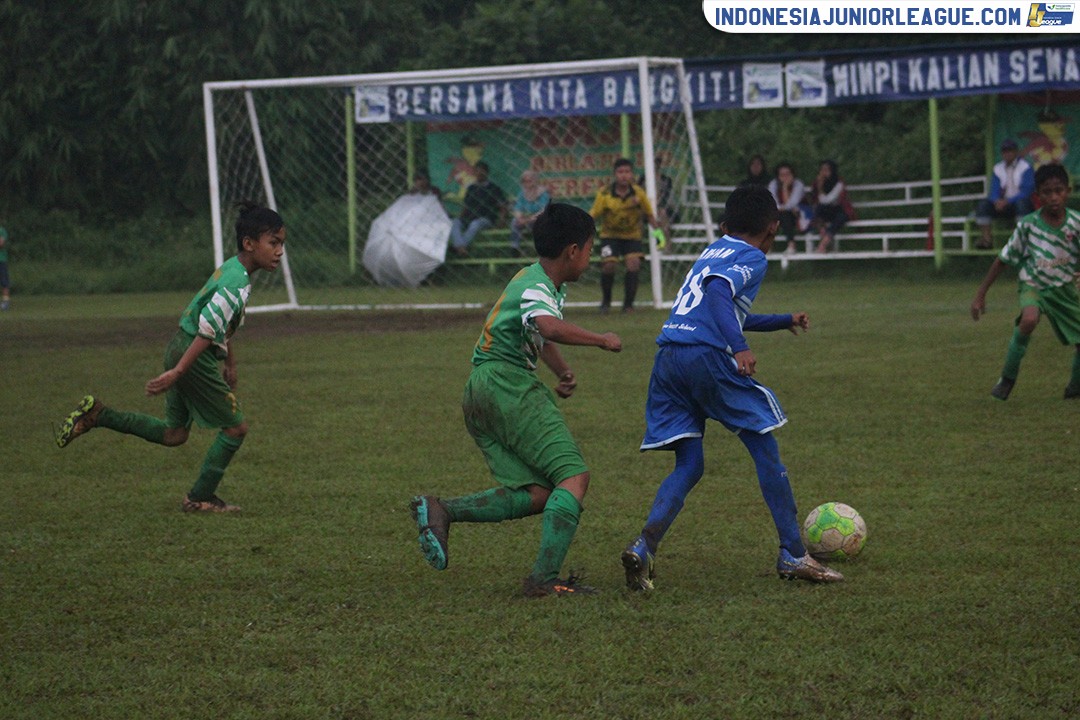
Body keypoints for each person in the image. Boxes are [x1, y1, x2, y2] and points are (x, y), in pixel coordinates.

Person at [620, 183, 844, 592]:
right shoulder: (753, 255)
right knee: (762, 442)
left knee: (690, 463)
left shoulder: (713, 250)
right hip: (705, 357)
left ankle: (644, 546)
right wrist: (739, 347)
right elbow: (720, 296)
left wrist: (781, 319)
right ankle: (794, 554)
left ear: (725, 224)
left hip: (669, 356)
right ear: (774, 228)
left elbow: (717, 306)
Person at [409, 203, 622, 598]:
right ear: (573, 250)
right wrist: (601, 339)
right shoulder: (538, 286)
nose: (590, 259)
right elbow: (548, 327)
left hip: (481, 387)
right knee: (574, 478)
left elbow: (536, 335)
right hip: (508, 385)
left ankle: (443, 509)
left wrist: (562, 372)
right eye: (590, 250)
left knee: (540, 492)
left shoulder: (532, 279)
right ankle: (543, 580)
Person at [53, 202, 287, 512]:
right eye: (273, 243)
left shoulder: (232, 268)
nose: (280, 251)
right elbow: (207, 332)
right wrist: (179, 372)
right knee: (235, 428)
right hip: (192, 353)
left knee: (174, 434)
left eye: (281, 243)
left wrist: (229, 362)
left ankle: (98, 415)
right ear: (249, 243)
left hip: (180, 344)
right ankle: (200, 497)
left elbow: (219, 324)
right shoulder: (237, 282)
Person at [970, 162, 1080, 401]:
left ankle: (1074, 388)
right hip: (1034, 285)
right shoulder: (1028, 225)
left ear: (1067, 192)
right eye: (1047, 192)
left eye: (1058, 191)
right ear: (1037, 196)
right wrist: (980, 294)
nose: (1053, 197)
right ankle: (1006, 380)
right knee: (1029, 319)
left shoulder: (1076, 223)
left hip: (1064, 289)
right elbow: (1003, 260)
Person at [590, 158, 660, 313]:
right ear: (615, 174)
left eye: (627, 172)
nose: (624, 175)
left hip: (632, 236)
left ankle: (628, 305)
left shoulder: (639, 194)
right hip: (610, 236)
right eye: (620, 172)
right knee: (609, 266)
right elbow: (593, 215)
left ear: (632, 175)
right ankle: (606, 302)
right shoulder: (604, 193)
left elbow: (649, 216)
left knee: (633, 263)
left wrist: (658, 235)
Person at [973, 139, 1035, 250]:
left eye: (1010, 151)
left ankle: (1021, 240)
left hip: (1019, 203)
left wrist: (1008, 201)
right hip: (1002, 204)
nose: (1007, 154)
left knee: (1022, 204)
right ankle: (987, 240)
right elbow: (994, 189)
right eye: (1005, 151)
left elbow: (1027, 191)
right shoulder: (998, 168)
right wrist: (996, 201)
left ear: (1016, 152)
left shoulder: (1025, 167)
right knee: (983, 204)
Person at [449, 161, 507, 256]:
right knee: (455, 222)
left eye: (482, 171)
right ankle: (461, 248)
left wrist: (502, 220)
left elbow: (503, 206)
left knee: (475, 224)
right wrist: (460, 217)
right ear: (474, 173)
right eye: (477, 171)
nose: (479, 173)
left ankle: (458, 247)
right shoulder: (471, 188)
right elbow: (466, 206)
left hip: (486, 219)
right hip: (468, 217)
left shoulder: (493, 188)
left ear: (486, 173)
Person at [810, 159, 855, 253]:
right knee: (817, 212)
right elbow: (815, 200)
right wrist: (819, 186)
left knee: (841, 218)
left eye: (826, 170)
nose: (823, 173)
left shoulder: (839, 183)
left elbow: (827, 200)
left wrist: (820, 187)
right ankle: (826, 242)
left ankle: (823, 244)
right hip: (824, 210)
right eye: (822, 170)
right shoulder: (816, 183)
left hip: (838, 209)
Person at [768, 162, 809, 255]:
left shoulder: (798, 184)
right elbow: (773, 202)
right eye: (782, 175)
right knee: (771, 217)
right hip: (779, 214)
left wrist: (785, 188)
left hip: (798, 215)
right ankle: (768, 246)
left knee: (785, 215)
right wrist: (781, 208)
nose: (785, 177)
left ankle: (791, 245)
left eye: (787, 174)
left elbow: (791, 204)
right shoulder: (773, 184)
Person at [508, 170, 550, 256]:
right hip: (526, 219)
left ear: (535, 181)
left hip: (541, 218)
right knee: (514, 222)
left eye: (530, 180)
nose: (527, 183)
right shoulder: (522, 194)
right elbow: (518, 207)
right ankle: (514, 247)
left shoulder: (543, 193)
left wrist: (527, 219)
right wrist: (519, 218)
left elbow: (543, 210)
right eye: (524, 181)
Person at [0, 224, 10, 311]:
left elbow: (1, 244)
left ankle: (5, 302)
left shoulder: (2, 231)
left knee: (4, 281)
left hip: (1, 260)